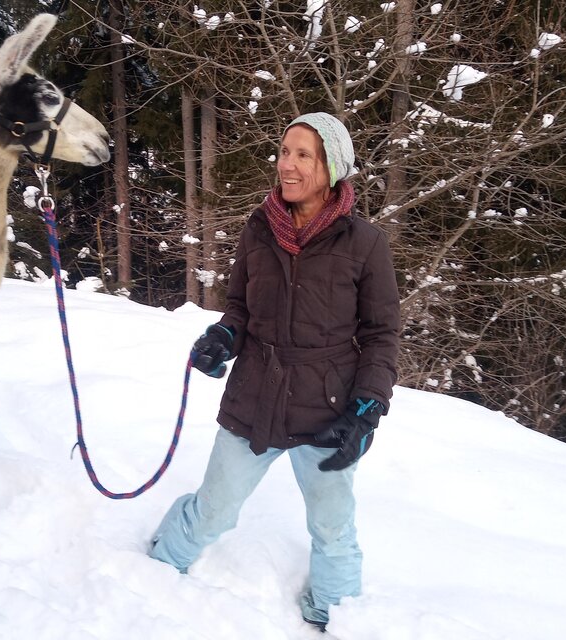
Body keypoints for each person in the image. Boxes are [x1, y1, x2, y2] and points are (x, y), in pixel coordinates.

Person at [148, 113, 400, 632]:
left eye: (304, 155)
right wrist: (224, 337)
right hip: (255, 396)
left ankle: (335, 613)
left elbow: (381, 334)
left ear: (332, 168)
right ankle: (158, 565)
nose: (288, 164)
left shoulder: (365, 243)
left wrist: (367, 407)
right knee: (215, 508)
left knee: (332, 527)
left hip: (330, 409)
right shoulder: (259, 229)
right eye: (285, 151)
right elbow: (240, 308)